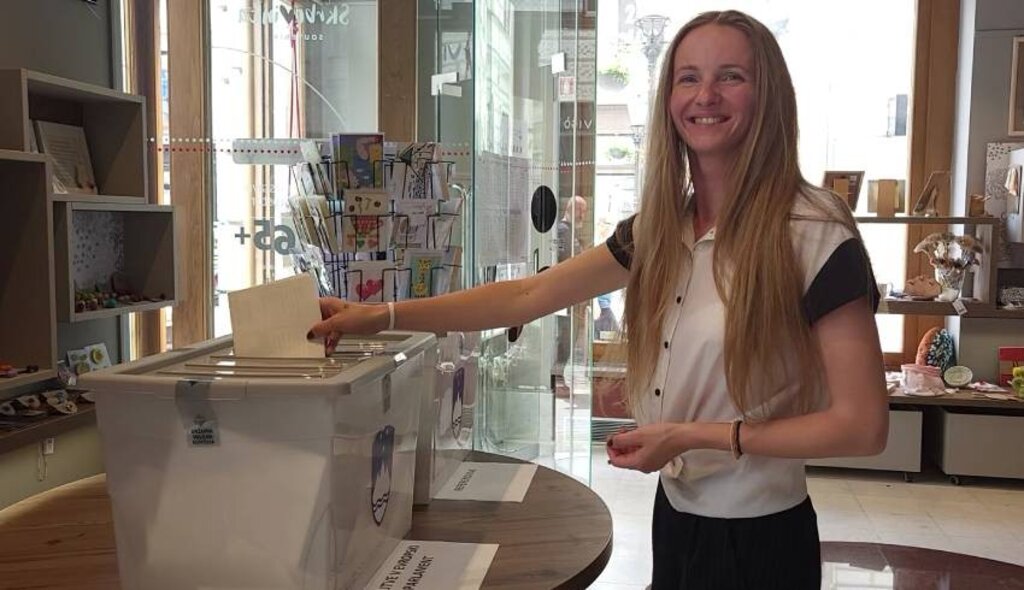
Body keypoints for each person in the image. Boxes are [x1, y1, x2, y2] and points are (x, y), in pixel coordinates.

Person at [309, 10, 887, 589]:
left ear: (769, 95)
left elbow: (862, 426)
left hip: (763, 541)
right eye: (688, 77)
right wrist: (381, 316)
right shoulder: (660, 229)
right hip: (676, 520)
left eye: (730, 76)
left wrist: (693, 436)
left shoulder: (812, 232)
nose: (705, 95)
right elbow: (528, 294)